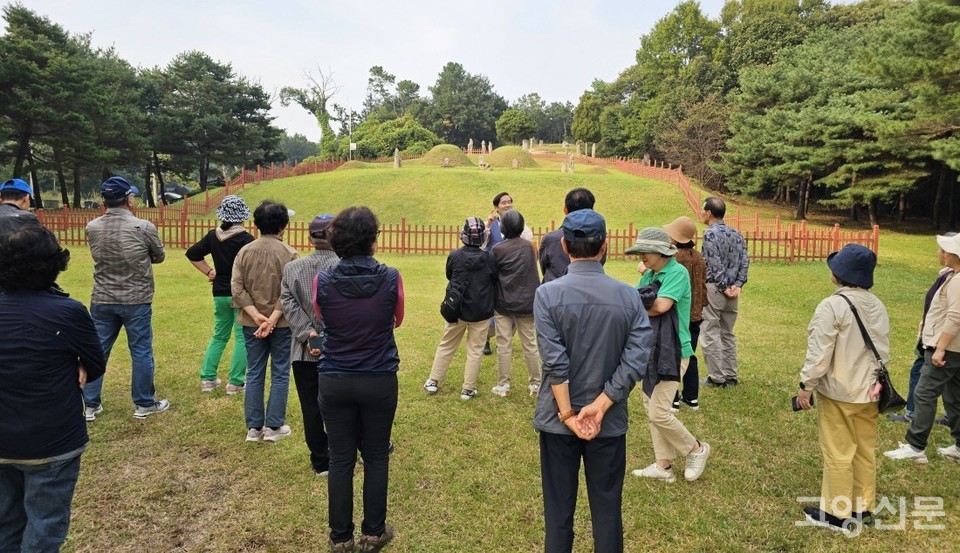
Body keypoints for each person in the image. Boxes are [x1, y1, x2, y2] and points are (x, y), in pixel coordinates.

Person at [533, 208, 651, 553]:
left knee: (558, 512)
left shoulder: (548, 294)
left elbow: (555, 362)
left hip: (559, 420)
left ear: (565, 247)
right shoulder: (628, 295)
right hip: (608, 420)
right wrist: (601, 405)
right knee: (607, 509)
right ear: (605, 246)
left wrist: (570, 414)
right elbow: (637, 355)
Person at [0, 218, 106, 552]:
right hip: (53, 440)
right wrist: (76, 362)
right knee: (45, 526)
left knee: (5, 520)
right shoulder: (68, 312)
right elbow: (95, 362)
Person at [315, 206, 403, 553]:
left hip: (335, 376)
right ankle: (373, 532)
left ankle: (340, 537)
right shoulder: (391, 277)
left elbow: (323, 319)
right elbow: (397, 319)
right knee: (377, 455)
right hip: (378, 374)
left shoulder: (322, 280)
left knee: (340, 459)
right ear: (372, 239)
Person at [797, 244, 887, 533]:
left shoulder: (832, 306)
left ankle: (836, 514)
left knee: (838, 451)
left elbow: (818, 353)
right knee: (863, 450)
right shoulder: (877, 304)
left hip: (840, 390)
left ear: (838, 274)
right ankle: (862, 507)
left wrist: (805, 386)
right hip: (871, 390)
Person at [625, 227, 711, 484]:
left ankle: (696, 449)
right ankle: (663, 466)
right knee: (650, 405)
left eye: (644, 251)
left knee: (658, 412)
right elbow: (635, 301)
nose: (640, 256)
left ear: (660, 251)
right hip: (650, 347)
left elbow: (661, 306)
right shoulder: (651, 273)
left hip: (673, 349)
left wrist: (636, 306)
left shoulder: (677, 272)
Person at [83, 176, 169, 421]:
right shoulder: (142, 227)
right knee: (141, 350)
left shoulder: (92, 227)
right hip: (135, 297)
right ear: (129, 199)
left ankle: (90, 404)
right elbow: (159, 255)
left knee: (98, 349)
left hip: (102, 296)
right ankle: (143, 402)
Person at [885, 233, 960, 464]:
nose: (940, 253)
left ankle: (915, 447)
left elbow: (956, 317)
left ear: (954, 255)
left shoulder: (958, 281)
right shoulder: (952, 276)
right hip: (952, 349)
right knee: (954, 397)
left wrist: (940, 348)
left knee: (924, 393)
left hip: (947, 350)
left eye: (944, 250)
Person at [231, 200, 298, 443]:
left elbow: (236, 287)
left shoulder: (244, 251)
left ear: (256, 224)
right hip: (280, 324)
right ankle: (274, 426)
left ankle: (254, 428)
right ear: (284, 226)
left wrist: (255, 314)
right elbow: (289, 291)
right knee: (280, 372)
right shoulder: (289, 253)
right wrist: (271, 319)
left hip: (251, 323)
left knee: (254, 371)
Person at [280, 214, 340, 476]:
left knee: (311, 405)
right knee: (343, 404)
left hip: (304, 351)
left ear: (310, 238)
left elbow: (288, 303)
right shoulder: (345, 267)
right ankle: (344, 450)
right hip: (341, 349)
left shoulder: (293, 269)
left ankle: (320, 459)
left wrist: (308, 334)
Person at [185, 195, 255, 394]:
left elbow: (192, 253)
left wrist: (209, 271)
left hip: (219, 292)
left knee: (219, 335)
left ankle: (208, 378)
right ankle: (236, 382)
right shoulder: (246, 239)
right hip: (239, 293)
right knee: (242, 337)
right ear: (242, 216)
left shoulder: (213, 235)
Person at [423, 216, 497, 399]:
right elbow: (494, 279)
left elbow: (450, 275)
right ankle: (468, 388)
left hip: (457, 308)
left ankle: (433, 380)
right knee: (475, 349)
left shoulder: (454, 256)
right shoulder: (489, 258)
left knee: (447, 345)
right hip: (480, 310)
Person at [699, 196, 749, 387]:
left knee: (710, 330)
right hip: (733, 291)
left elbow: (713, 263)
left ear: (709, 212)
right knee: (727, 332)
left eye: (703, 210)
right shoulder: (736, 233)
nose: (701, 213)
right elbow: (745, 261)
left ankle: (716, 377)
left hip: (715, 288)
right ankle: (730, 375)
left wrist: (723, 287)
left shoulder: (710, 234)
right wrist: (738, 284)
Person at [491, 209, 542, 397]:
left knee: (503, 344)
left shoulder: (498, 249)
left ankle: (503, 385)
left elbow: (494, 275)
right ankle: (536, 384)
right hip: (528, 301)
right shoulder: (530, 246)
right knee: (530, 344)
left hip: (504, 302)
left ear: (503, 228)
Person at [663, 216, 707, 411]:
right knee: (689, 355)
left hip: (678, 315)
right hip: (696, 315)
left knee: (672, 355)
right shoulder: (698, 256)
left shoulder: (674, 258)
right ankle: (691, 396)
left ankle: (672, 397)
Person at [482, 191, 533, 355]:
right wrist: (488, 226)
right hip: (494, 272)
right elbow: (482, 245)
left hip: (513, 273)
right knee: (491, 308)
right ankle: (486, 339)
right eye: (503, 202)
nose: (507, 205)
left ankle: (504, 339)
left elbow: (528, 241)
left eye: (509, 202)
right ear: (496, 207)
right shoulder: (490, 224)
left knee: (509, 308)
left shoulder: (520, 224)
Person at [539, 188, 596, 283]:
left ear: (565, 210)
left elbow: (544, 267)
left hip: (554, 291)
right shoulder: (597, 238)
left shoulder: (551, 239)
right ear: (592, 210)